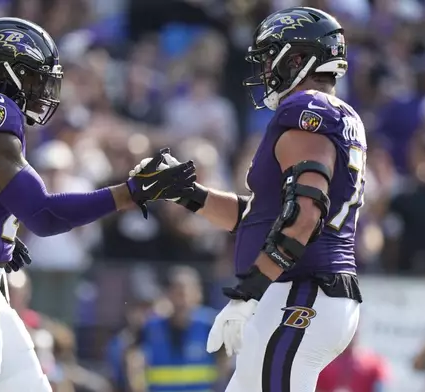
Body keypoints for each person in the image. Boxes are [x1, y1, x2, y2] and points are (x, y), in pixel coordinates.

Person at [0, 17, 196, 392]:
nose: (40, 88)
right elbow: (42, 213)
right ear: (0, 73)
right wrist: (130, 193)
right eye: (31, 76)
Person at [132, 6, 363, 391]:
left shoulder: (306, 108)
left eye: (271, 57)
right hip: (304, 291)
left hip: (304, 291)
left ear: (299, 59)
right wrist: (187, 194)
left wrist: (247, 293)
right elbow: (264, 215)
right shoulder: (333, 114)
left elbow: (306, 214)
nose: (266, 71)